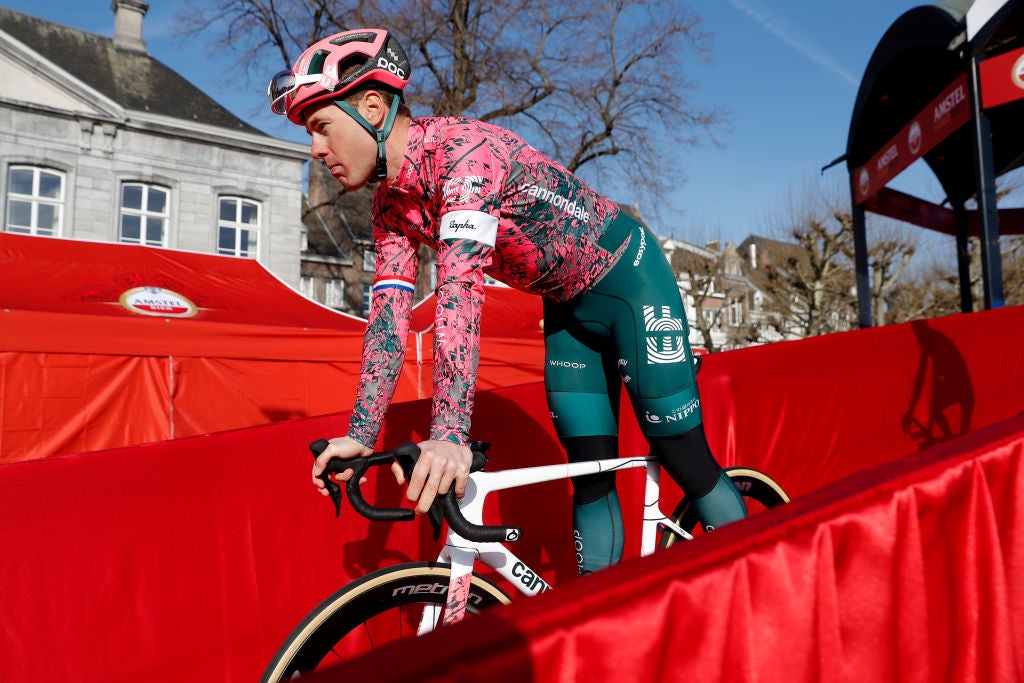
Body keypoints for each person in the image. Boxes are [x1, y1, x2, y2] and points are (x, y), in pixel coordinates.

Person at [269, 28, 747, 575]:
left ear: (373, 108)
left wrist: (450, 434)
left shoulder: (464, 156)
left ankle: (764, 581)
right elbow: (388, 322)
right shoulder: (389, 204)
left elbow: (459, 297)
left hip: (631, 283)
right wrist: (360, 433)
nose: (315, 150)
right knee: (589, 474)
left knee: (681, 452)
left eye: (322, 127)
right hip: (568, 309)